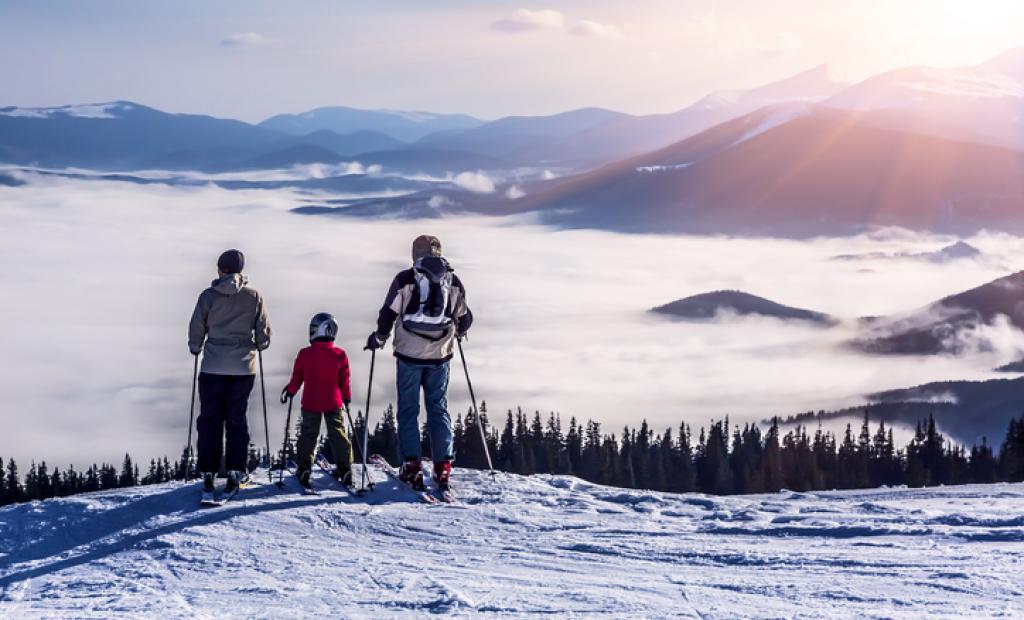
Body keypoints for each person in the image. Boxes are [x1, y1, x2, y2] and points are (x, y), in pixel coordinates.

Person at [365, 235, 472, 492]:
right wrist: (457, 331)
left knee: (408, 409)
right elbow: (465, 318)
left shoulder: (405, 279)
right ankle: (443, 466)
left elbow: (387, 314)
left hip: (409, 355)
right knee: (438, 407)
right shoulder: (452, 280)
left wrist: (378, 338)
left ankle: (411, 466)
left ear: (415, 254)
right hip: (440, 355)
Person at [188, 249, 271, 502]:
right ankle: (236, 470)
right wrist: (257, 345)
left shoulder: (208, 296)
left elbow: (196, 328)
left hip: (213, 366)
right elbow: (264, 334)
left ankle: (209, 473)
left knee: (209, 420)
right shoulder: (253, 296)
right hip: (243, 369)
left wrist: (196, 347)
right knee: (236, 418)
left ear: (220, 269)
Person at [280, 313, 354, 491]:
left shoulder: (305, 354)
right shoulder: (339, 354)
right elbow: (345, 380)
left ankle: (304, 468)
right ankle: (345, 468)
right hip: (333, 401)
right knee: (338, 433)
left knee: (308, 435)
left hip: (311, 401)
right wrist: (347, 397)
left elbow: (297, 377)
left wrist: (290, 391)